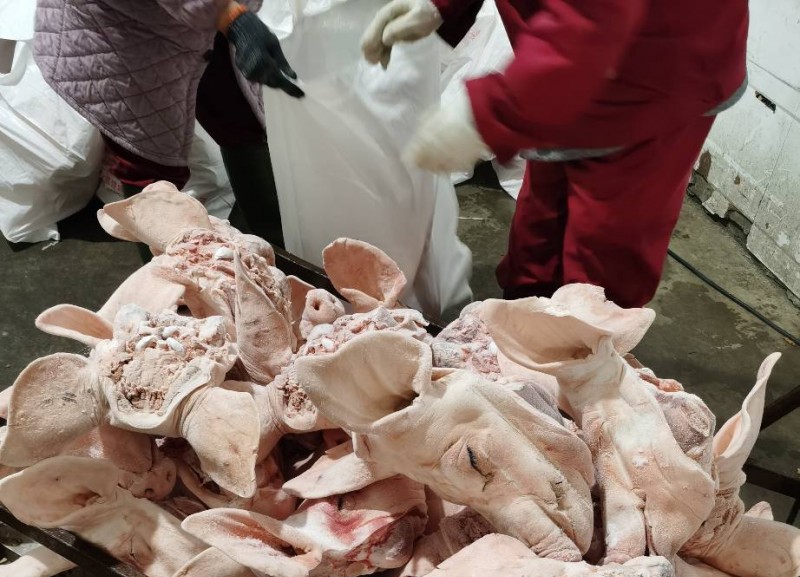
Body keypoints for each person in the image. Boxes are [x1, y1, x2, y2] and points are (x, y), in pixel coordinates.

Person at [361, 0, 749, 308]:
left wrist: (488, 115)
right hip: (571, 55)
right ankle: (522, 326)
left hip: (656, 69)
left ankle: (582, 357)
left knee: (603, 257)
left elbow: (588, 26)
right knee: (540, 230)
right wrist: (439, 6)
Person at [34, 0, 303, 254]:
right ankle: (168, 277)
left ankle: (274, 250)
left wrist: (230, 14)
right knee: (148, 165)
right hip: (121, 32)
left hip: (195, 21)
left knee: (241, 121)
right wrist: (232, 17)